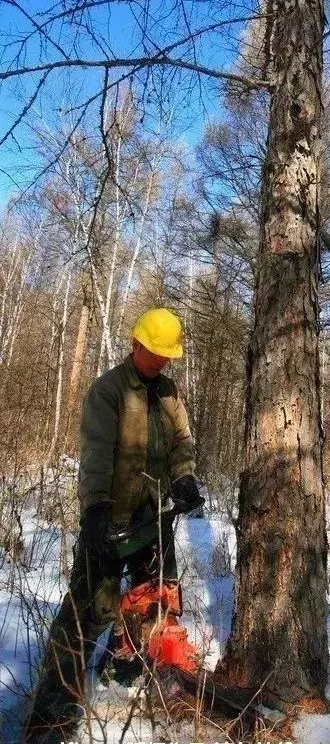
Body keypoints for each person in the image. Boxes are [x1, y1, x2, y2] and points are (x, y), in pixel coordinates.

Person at [25, 308, 201, 743]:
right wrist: (96, 512)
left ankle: (128, 664)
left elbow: (181, 441)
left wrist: (184, 478)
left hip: (154, 518)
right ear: (136, 344)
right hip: (110, 522)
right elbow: (97, 454)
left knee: (154, 599)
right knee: (85, 617)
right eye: (155, 354)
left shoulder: (169, 392)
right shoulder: (108, 392)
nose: (162, 362)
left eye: (167, 357)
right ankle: (51, 716)